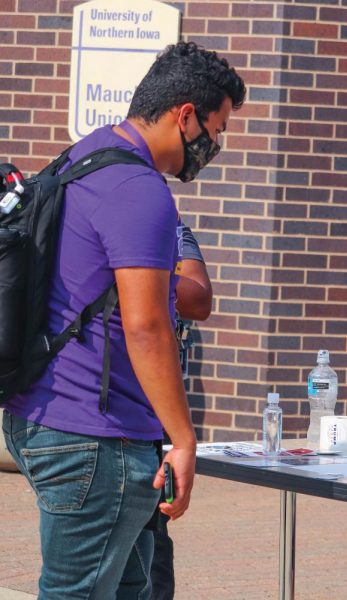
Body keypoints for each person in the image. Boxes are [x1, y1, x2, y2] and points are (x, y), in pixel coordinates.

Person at [1, 41, 244, 598]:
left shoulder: (82, 155)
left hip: (47, 413)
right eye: (218, 127)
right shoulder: (139, 190)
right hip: (94, 439)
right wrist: (184, 439)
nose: (218, 143)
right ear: (186, 115)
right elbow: (147, 325)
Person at [150, 224, 213, 600]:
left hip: (152, 412)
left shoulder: (171, 228)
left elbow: (198, 299)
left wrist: (134, 274)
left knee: (153, 532)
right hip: (92, 406)